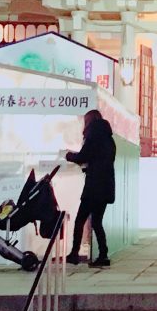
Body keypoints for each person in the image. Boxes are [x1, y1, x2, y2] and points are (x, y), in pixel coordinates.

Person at [65, 109, 116, 267]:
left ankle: (74, 254)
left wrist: (69, 156)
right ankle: (103, 254)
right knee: (97, 222)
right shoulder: (109, 139)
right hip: (106, 186)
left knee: (80, 220)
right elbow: (101, 161)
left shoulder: (93, 137)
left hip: (94, 187)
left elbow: (83, 156)